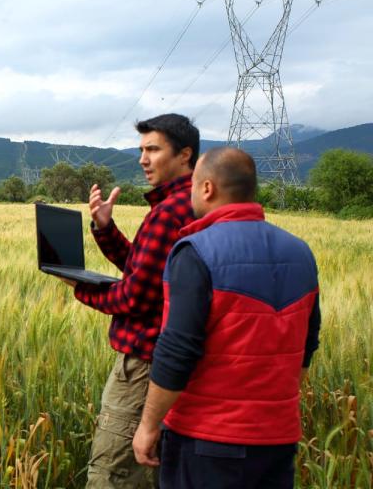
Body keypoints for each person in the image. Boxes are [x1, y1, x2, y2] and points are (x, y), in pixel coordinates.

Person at [132, 147, 321, 488]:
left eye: (192, 185)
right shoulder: (300, 253)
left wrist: (147, 426)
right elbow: (307, 347)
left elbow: (177, 350)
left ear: (207, 189)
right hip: (277, 440)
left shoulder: (197, 251)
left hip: (207, 441)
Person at [57, 113, 200, 488]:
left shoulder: (168, 213)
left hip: (143, 368)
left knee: (112, 474)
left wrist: (78, 284)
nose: (143, 159)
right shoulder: (191, 205)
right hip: (172, 365)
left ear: (185, 155)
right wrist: (106, 229)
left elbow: (137, 296)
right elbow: (146, 271)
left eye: (153, 149)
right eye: (141, 150)